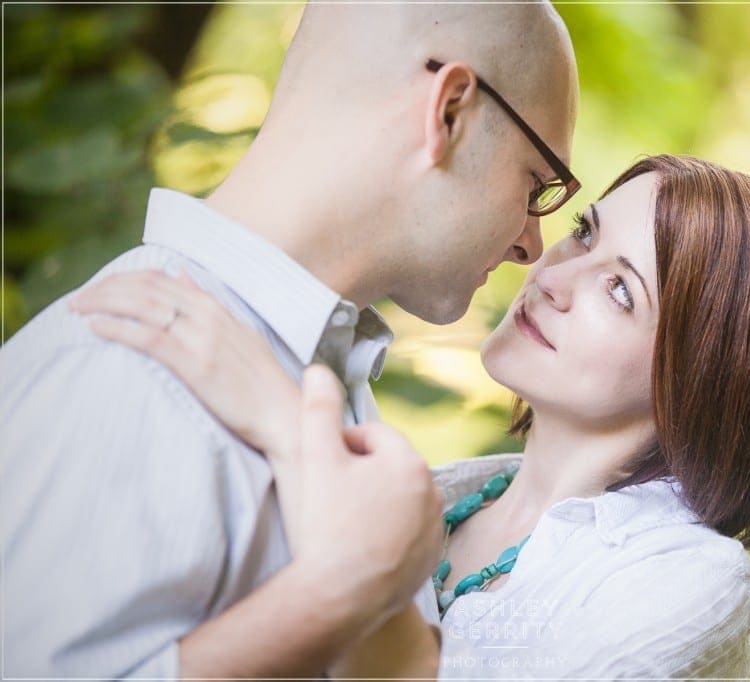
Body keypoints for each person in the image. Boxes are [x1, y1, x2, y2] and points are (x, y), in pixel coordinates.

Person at [72, 154, 750, 678]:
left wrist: (287, 420)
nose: (554, 275)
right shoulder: (444, 496)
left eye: (620, 290)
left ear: (709, 379)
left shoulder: (694, 583)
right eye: (584, 232)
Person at [0, 2, 579, 677]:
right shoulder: (123, 366)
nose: (531, 244)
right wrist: (349, 589)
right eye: (537, 185)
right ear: (448, 110)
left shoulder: (315, 385)